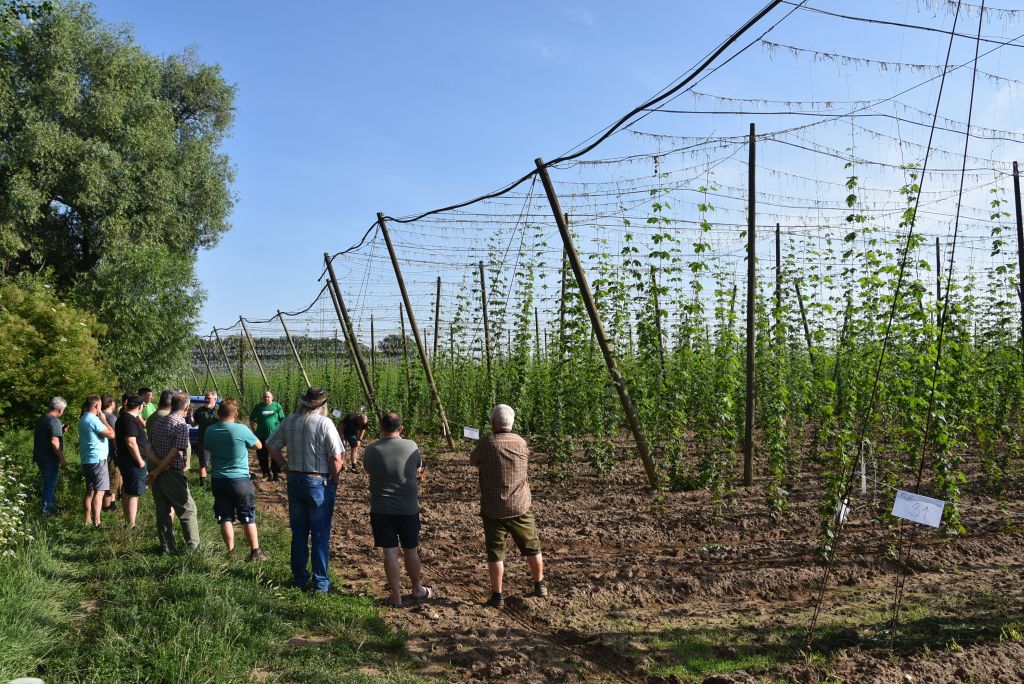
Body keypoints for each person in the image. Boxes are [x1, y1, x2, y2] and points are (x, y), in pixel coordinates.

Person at [266, 387, 344, 593]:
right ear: (322, 405)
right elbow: (336, 458)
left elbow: (272, 446)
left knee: (299, 533)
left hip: (295, 479)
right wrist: (335, 479)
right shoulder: (324, 423)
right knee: (319, 534)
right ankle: (320, 583)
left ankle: (300, 578)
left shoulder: (289, 421)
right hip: (318, 481)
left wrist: (284, 466)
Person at [469, 404, 547, 608]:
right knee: (532, 546)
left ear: (493, 423)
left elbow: (473, 460)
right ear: (511, 423)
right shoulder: (521, 443)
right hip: (520, 506)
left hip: (493, 508)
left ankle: (497, 596)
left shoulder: (486, 444)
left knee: (495, 552)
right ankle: (540, 585)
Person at [362, 411, 434, 608]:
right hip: (408, 508)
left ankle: (396, 596)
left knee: (390, 551)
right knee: (411, 549)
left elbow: (368, 469)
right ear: (401, 428)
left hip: (381, 508)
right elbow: (418, 468)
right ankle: (417, 589)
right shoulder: (411, 446)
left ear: (381, 428)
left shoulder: (371, 449)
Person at [205, 398, 265, 561]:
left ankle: (231, 552)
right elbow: (258, 445)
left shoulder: (210, 430)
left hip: (218, 479)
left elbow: (207, 447)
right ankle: (255, 552)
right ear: (236, 414)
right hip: (239, 480)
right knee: (247, 516)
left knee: (225, 517)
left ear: (218, 413)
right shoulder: (241, 429)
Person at [147, 392, 200, 553]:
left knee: (163, 512)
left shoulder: (159, 422)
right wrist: (161, 468)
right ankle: (194, 549)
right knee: (187, 510)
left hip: (157, 473)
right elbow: (175, 452)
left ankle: (167, 548)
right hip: (172, 473)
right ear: (186, 407)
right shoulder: (181, 425)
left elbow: (148, 447)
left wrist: (156, 467)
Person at [115, 395, 153, 529]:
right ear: (140, 406)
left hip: (126, 460)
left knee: (127, 490)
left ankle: (128, 522)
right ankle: (131, 525)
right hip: (133, 462)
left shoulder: (123, 418)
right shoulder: (129, 420)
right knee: (133, 493)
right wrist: (140, 461)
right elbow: (131, 442)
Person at [79, 395, 115, 528]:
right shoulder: (94, 420)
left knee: (89, 490)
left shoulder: (82, 418)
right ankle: (97, 521)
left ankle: (87, 519)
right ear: (96, 406)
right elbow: (112, 434)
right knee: (99, 491)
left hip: (86, 458)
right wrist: (105, 420)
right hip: (98, 459)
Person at [32, 397, 68, 514]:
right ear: (60, 409)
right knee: (50, 485)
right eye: (64, 409)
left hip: (40, 456)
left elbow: (46, 436)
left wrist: (60, 431)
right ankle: (47, 512)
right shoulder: (55, 420)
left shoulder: (42, 418)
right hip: (50, 458)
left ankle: (50, 509)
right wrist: (62, 459)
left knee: (49, 483)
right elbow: (54, 441)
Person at [249, 390, 285, 481]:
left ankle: (276, 474)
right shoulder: (258, 407)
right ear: (262, 398)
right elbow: (251, 418)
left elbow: (282, 420)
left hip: (274, 436)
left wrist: (281, 432)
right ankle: (266, 473)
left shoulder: (277, 406)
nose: (267, 398)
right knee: (262, 455)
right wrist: (253, 429)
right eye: (265, 397)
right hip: (261, 435)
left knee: (275, 455)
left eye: (268, 397)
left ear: (272, 397)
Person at [192, 391, 219, 488]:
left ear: (215, 399)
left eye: (209, 398)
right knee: (203, 463)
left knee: (217, 463)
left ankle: (216, 483)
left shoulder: (220, 410)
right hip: (203, 441)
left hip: (218, 442)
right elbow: (193, 424)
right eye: (206, 398)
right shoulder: (200, 411)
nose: (207, 400)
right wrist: (190, 417)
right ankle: (203, 484)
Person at [100, 395, 122, 513]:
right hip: (111, 453)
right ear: (111, 403)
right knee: (113, 479)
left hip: (102, 453)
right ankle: (108, 507)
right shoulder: (111, 418)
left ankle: (109, 504)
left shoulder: (97, 416)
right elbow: (114, 437)